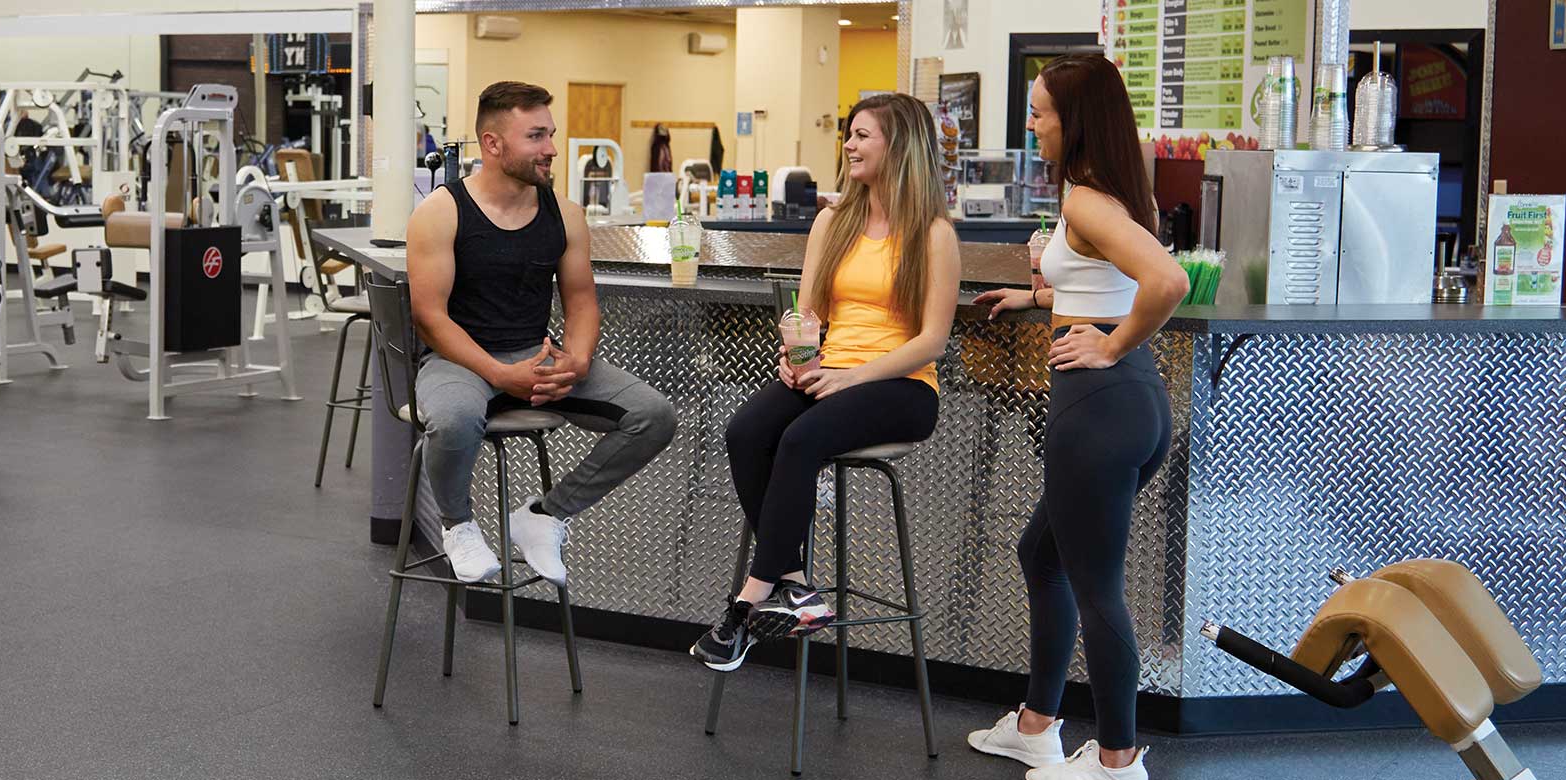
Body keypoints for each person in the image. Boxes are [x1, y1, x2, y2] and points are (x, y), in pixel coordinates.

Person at [963, 54, 1188, 780]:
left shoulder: (1090, 200)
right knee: (1043, 555)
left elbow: (1167, 281)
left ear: (1075, 120)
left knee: (1097, 587)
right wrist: (1034, 298)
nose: (1031, 126)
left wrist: (1115, 342)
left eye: (1039, 113)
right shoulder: (1107, 196)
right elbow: (1105, 286)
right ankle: (1037, 725)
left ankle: (1118, 760)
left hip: (1098, 409)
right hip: (1131, 403)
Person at [690, 93, 962, 672]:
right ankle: (796, 587)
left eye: (864, 135)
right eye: (850, 134)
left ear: (901, 147)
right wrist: (795, 356)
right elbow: (808, 313)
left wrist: (852, 376)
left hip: (903, 384)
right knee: (745, 431)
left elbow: (932, 340)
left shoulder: (933, 233)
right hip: (830, 370)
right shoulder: (832, 221)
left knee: (801, 440)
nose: (850, 145)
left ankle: (748, 601)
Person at [402, 81, 679, 585]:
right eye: (536, 136)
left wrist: (576, 358)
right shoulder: (440, 212)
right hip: (460, 359)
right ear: (493, 144)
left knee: (653, 416)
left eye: (550, 134)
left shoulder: (564, 213)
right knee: (455, 418)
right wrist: (499, 374)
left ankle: (547, 514)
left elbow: (580, 300)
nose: (552, 148)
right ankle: (458, 526)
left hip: (537, 352)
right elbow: (430, 317)